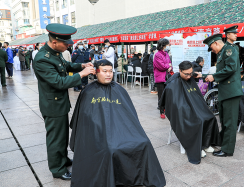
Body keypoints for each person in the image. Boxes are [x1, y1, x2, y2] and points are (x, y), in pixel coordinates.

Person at [69, 59, 166, 187]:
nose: (109, 74)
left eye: (111, 71)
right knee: (110, 148)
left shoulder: (119, 90)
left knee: (144, 143)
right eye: (104, 71)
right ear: (95, 73)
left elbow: (131, 117)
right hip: (98, 134)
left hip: (122, 131)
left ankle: (139, 177)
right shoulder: (88, 91)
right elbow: (85, 120)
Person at [32, 23, 95, 180]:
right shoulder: (42, 59)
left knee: (62, 136)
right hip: (52, 105)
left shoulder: (55, 52)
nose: (68, 46)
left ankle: (63, 159)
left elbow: (66, 65)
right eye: (65, 44)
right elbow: (59, 82)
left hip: (60, 103)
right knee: (55, 138)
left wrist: (81, 65)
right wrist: (82, 74)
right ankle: (58, 169)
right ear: (55, 42)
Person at [159, 61, 222, 163]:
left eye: (190, 73)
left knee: (210, 117)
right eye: (186, 74)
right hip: (182, 111)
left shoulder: (190, 79)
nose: (189, 76)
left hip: (194, 108)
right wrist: (187, 110)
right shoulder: (173, 83)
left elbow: (196, 97)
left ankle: (206, 144)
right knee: (198, 121)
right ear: (180, 71)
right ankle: (198, 147)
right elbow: (175, 104)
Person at [202, 26, 243, 157]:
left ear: (215, 43)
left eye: (212, 48)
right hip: (226, 91)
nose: (212, 51)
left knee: (230, 122)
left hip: (231, 91)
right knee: (225, 120)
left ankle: (227, 150)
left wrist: (214, 76)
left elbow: (231, 68)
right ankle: (222, 142)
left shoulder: (229, 49)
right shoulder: (222, 52)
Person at [154, 38, 172, 119]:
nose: (169, 46)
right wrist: (168, 66)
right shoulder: (157, 55)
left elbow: (169, 63)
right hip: (160, 78)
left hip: (167, 77)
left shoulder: (166, 53)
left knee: (168, 95)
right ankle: (162, 111)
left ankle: (166, 109)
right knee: (161, 95)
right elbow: (161, 66)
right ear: (164, 45)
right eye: (168, 44)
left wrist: (169, 67)